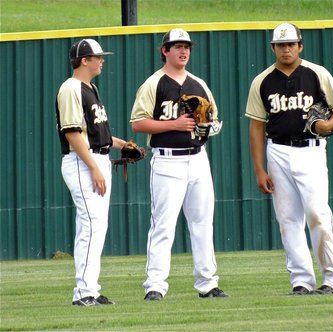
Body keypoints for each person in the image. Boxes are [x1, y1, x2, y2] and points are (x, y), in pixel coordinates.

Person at [245, 23, 333, 295]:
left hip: (312, 149)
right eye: (281, 45)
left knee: (317, 213)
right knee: (288, 219)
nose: (286, 49)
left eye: (291, 43)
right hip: (277, 150)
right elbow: (256, 127)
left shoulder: (317, 74)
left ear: (300, 45)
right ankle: (301, 280)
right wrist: (259, 170)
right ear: (273, 48)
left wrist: (326, 126)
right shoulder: (262, 81)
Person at [130, 28, 227, 301]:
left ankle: (208, 283)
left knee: (203, 223)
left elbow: (214, 120)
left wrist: (208, 127)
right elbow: (137, 123)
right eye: (177, 46)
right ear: (165, 51)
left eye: (187, 47)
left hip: (197, 159)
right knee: (163, 225)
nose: (183, 51)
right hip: (167, 159)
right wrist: (174, 124)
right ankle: (155, 286)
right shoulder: (154, 83)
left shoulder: (199, 84)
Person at [56, 39, 132, 306]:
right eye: (97, 57)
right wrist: (93, 168)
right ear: (84, 60)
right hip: (81, 162)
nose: (102, 60)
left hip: (97, 159)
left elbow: (99, 133)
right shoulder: (71, 88)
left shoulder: (91, 88)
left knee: (97, 227)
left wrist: (124, 145)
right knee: (90, 226)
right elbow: (73, 133)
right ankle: (84, 293)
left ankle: (91, 289)